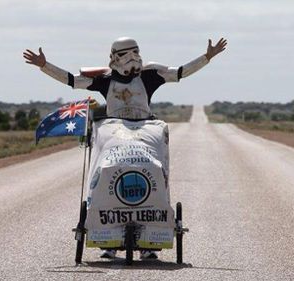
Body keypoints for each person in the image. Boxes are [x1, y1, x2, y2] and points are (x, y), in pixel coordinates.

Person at [23, 37, 227, 260]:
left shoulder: (150, 76)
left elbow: (180, 73)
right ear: (114, 57)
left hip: (146, 127)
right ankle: (107, 237)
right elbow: (72, 80)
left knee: (154, 171)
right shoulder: (104, 80)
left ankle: (150, 240)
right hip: (113, 129)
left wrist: (207, 57)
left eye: (135, 52)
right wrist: (44, 65)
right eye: (126, 54)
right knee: (105, 172)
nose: (132, 59)